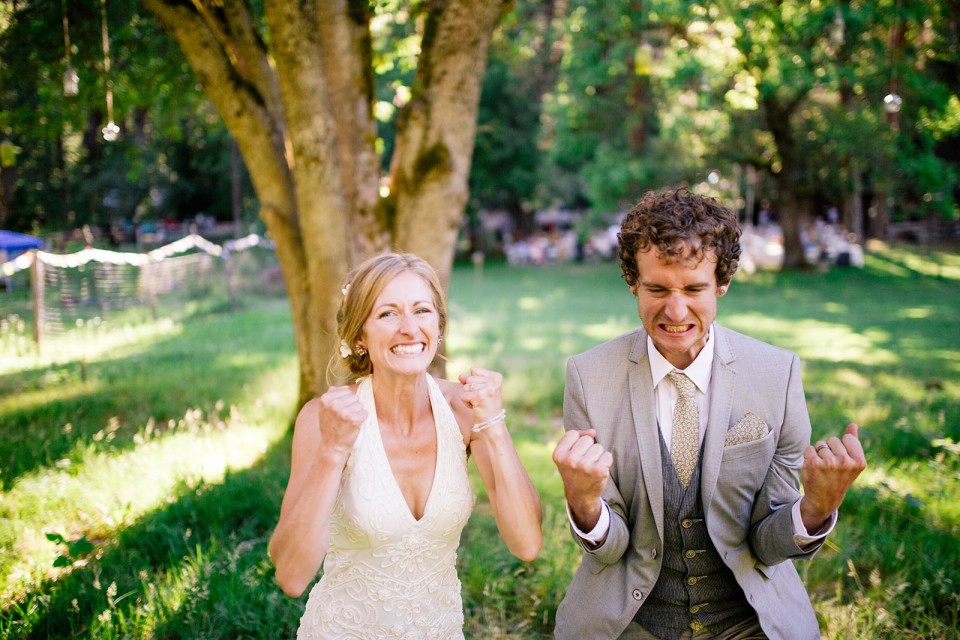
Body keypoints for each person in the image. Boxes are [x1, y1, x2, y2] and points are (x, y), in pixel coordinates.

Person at [551, 188, 866, 640]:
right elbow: (612, 547)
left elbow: (766, 542)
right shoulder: (588, 376)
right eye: (657, 288)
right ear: (632, 282)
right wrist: (583, 503)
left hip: (746, 621)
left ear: (722, 282)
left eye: (694, 289)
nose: (675, 311)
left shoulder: (777, 374)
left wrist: (817, 506)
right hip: (632, 622)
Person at [269, 252, 542, 639]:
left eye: (422, 310)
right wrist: (332, 451)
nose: (410, 328)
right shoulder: (323, 418)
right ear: (359, 336)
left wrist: (494, 426)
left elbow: (527, 544)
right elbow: (291, 576)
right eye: (388, 314)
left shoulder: (466, 412)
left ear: (439, 326)